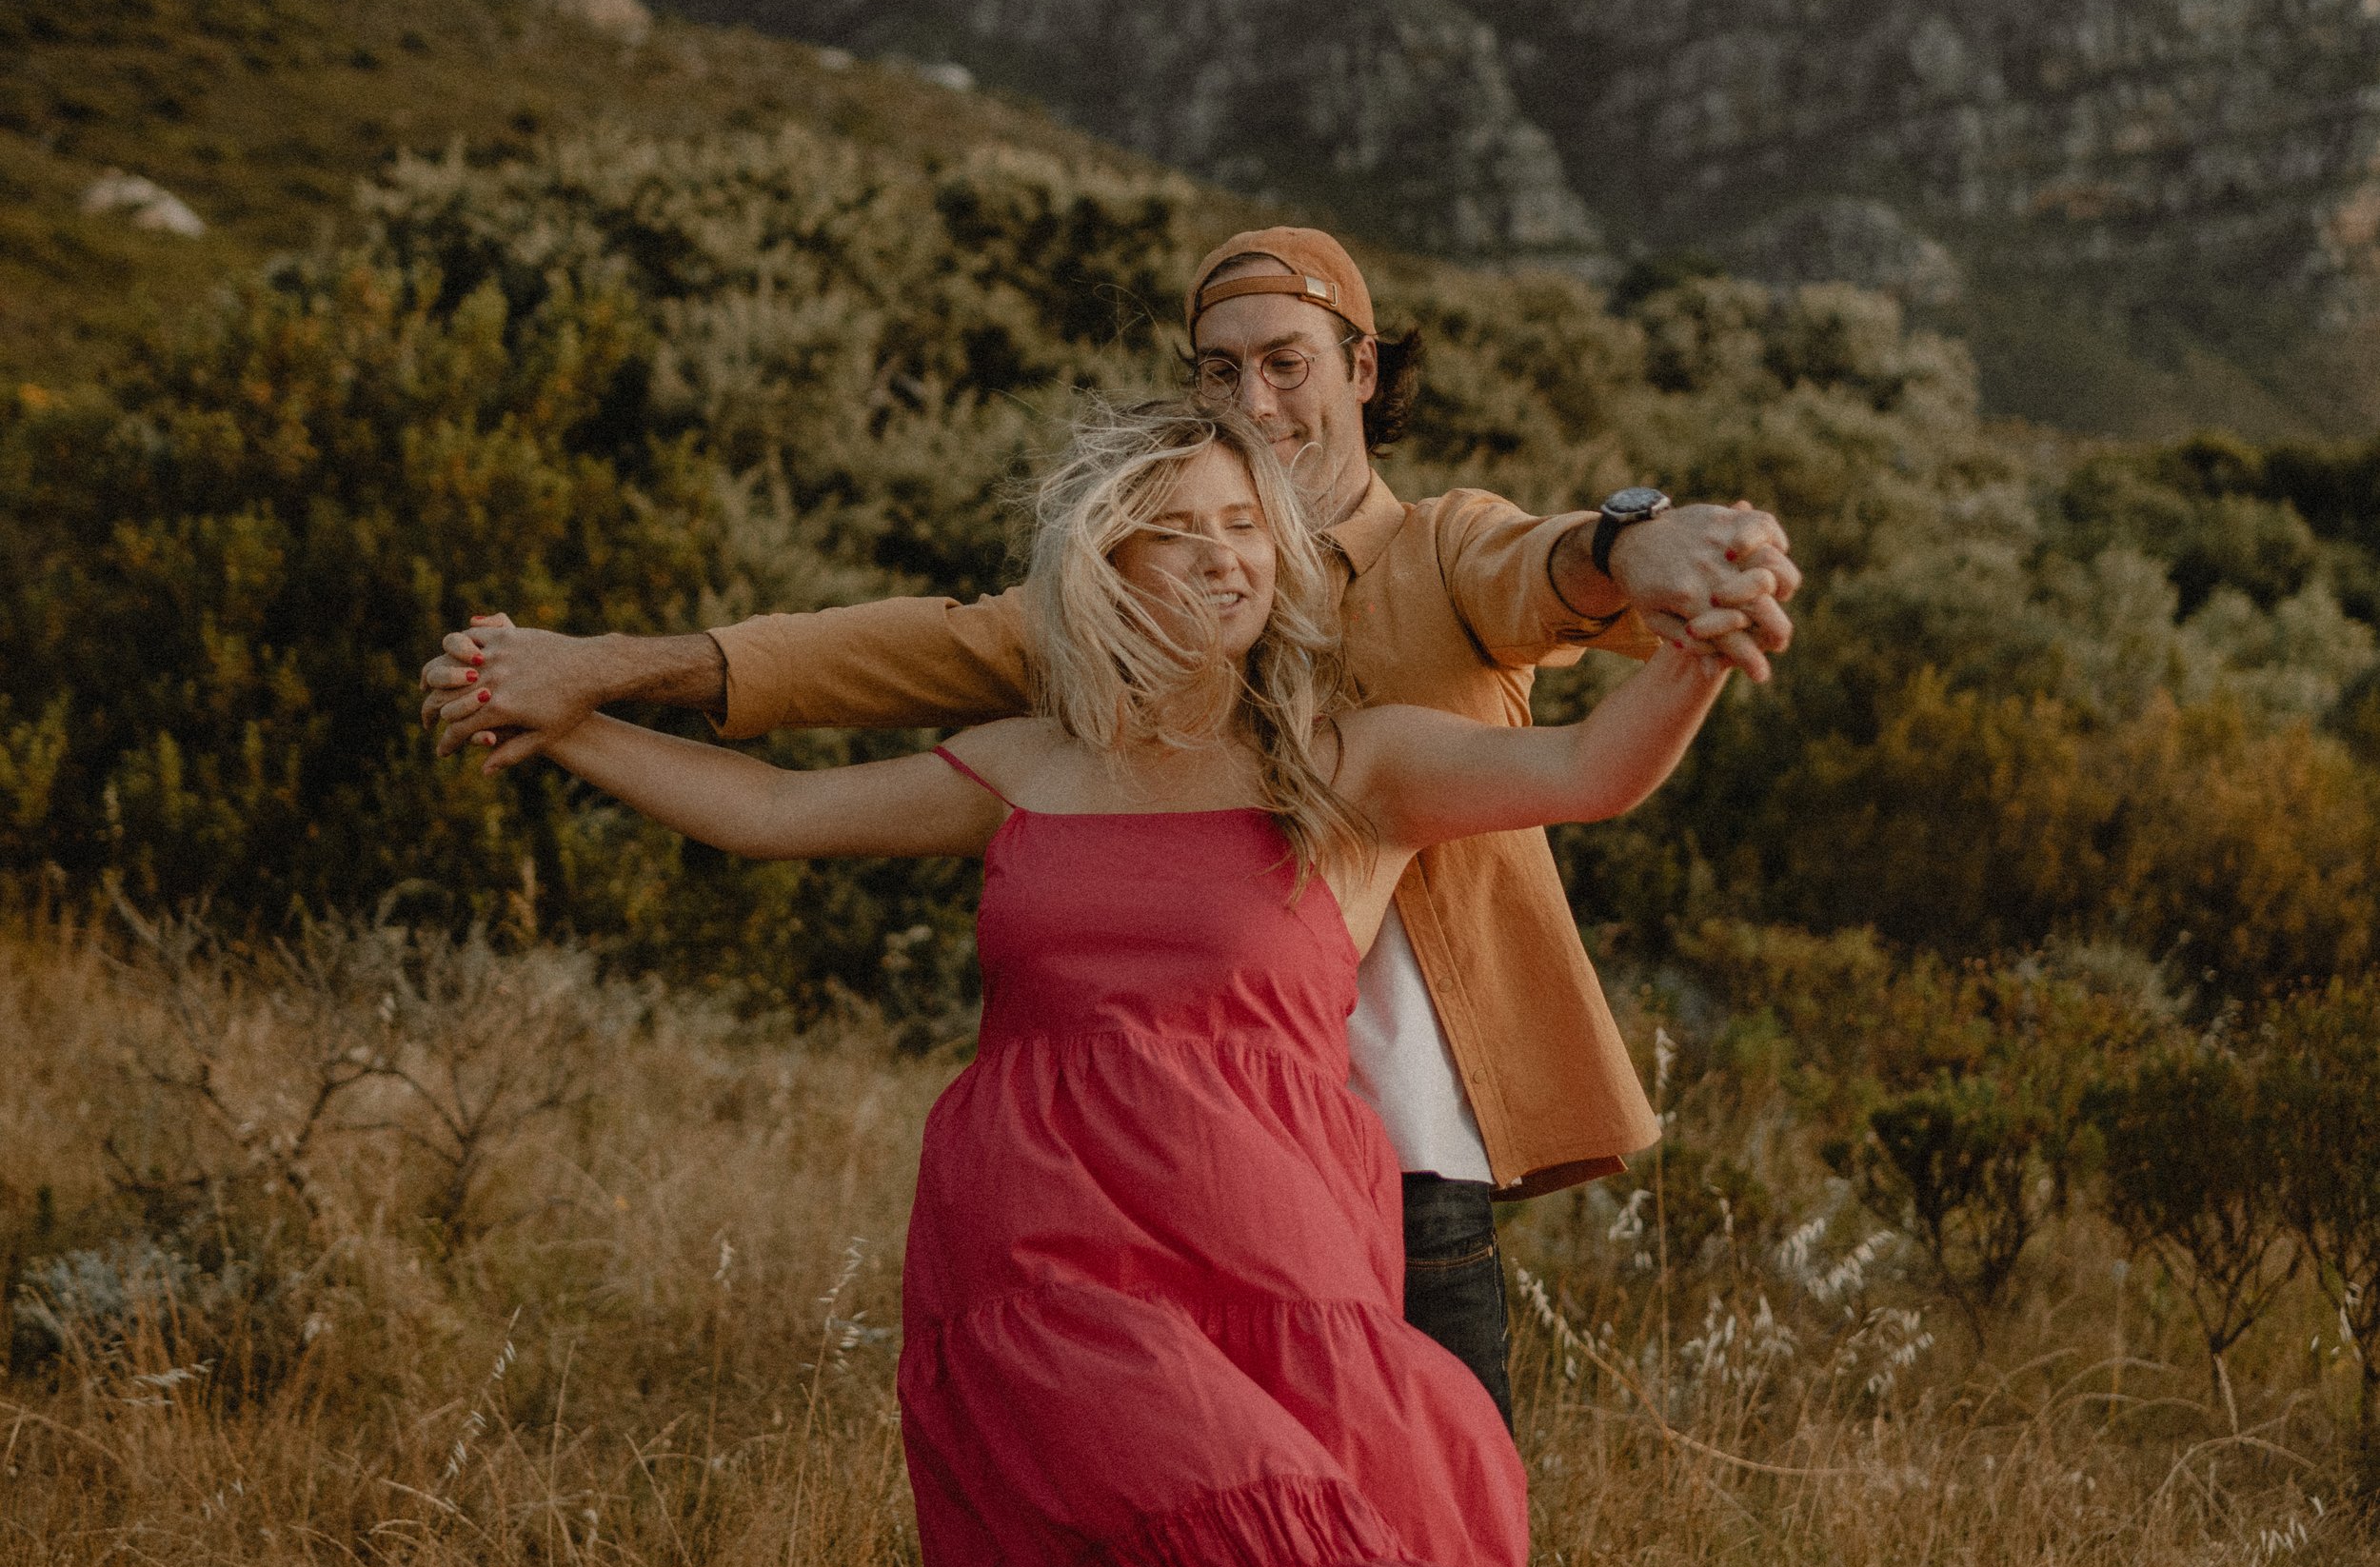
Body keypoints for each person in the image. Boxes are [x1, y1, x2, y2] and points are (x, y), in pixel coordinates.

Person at [472, 396, 1834, 1567]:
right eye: (1174, 533)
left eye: (1245, 532)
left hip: (1277, 1275)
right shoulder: (1029, 761)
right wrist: (563, 720)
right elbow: (774, 813)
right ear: (1102, 571)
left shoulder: (1348, 763)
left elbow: (1590, 770)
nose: (1221, 558)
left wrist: (1697, 645)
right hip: (1032, 1274)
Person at [424, 228, 1799, 1433]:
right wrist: (592, 674)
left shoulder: (1441, 552)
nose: (1252, 397)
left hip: (1405, 1154)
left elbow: (1550, 573)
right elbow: (873, 670)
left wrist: (1650, 554)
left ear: (1364, 370)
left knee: (1437, 1525)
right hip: (1171, 1164)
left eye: (1287, 361)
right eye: (1220, 368)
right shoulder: (1136, 608)